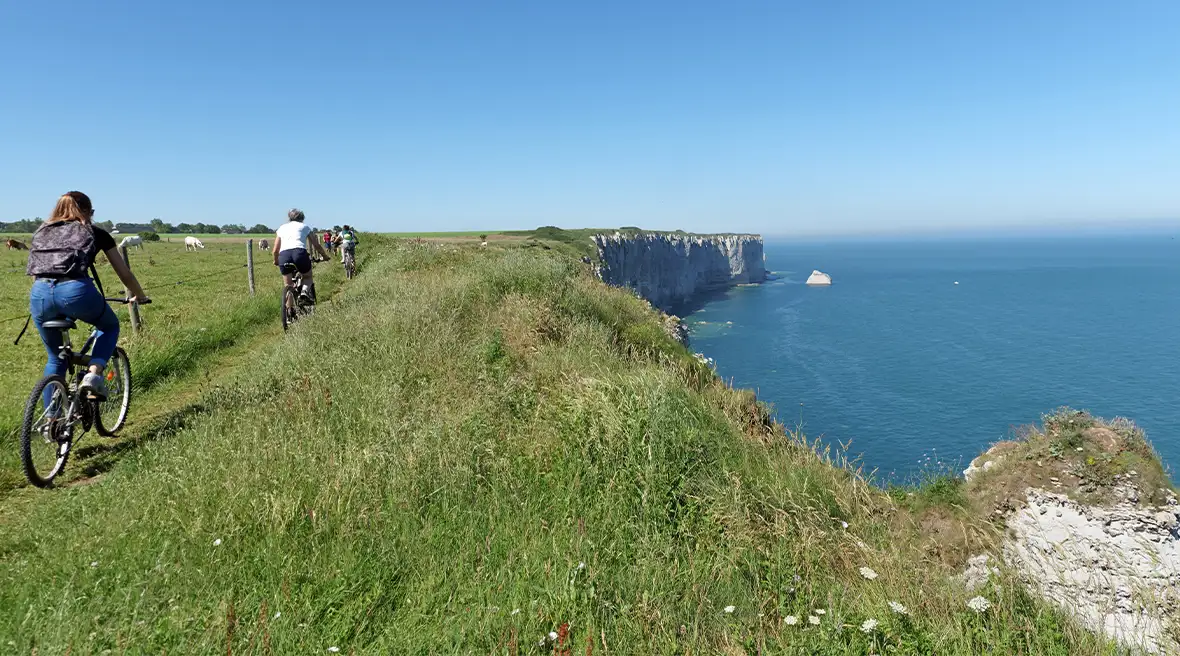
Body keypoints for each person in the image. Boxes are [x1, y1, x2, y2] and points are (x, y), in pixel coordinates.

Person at [27, 191, 150, 400]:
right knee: (110, 326)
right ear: (87, 211)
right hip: (75, 291)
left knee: (55, 359)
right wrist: (140, 295)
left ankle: (52, 421)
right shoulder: (95, 232)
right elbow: (125, 274)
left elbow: (37, 270)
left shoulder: (42, 232)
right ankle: (93, 375)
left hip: (39, 293)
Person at [272, 209, 329, 303]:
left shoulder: (282, 228)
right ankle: (304, 293)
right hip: (299, 254)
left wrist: (276, 261)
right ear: (302, 218)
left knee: (288, 285)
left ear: (289, 218)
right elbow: (316, 245)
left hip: (284, 255)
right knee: (307, 277)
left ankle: (289, 311)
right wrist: (325, 256)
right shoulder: (304, 226)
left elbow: (275, 250)